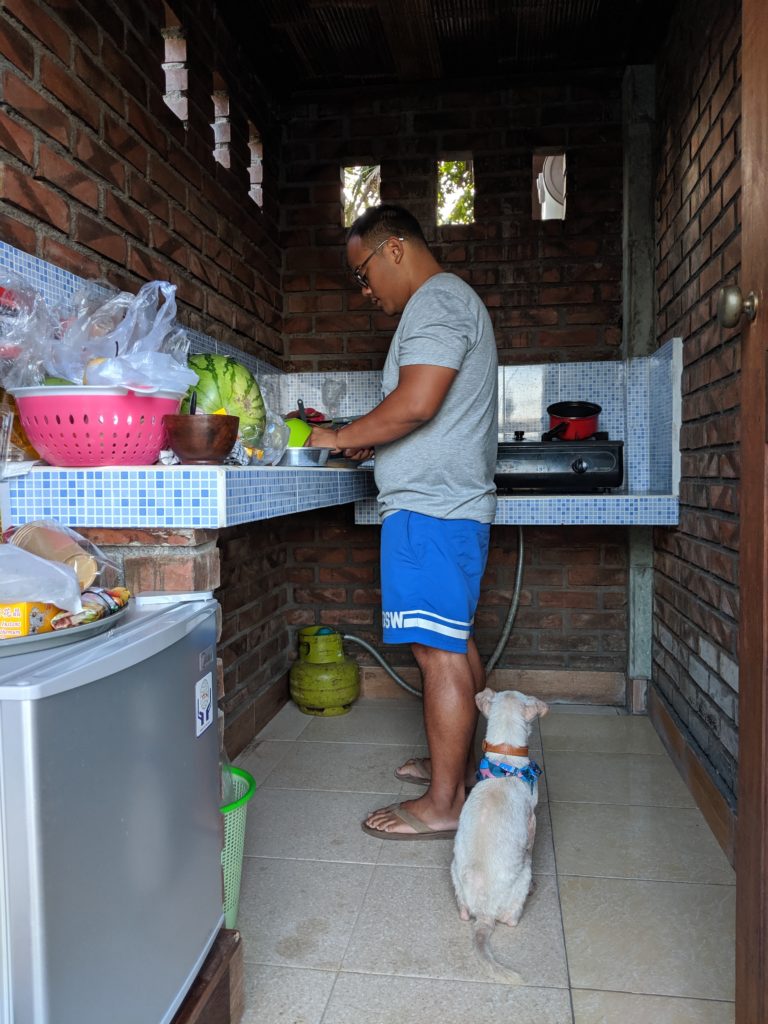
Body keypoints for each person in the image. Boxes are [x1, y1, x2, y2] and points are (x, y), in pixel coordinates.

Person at [309, 204, 498, 839]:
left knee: (436, 649)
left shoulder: (437, 302)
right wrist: (369, 436)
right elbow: (414, 406)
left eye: (362, 275)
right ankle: (460, 772)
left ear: (393, 250)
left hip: (431, 509)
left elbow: (417, 403)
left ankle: (445, 803)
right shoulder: (446, 303)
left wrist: (339, 434)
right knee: (454, 641)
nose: (365, 293)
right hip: (446, 507)